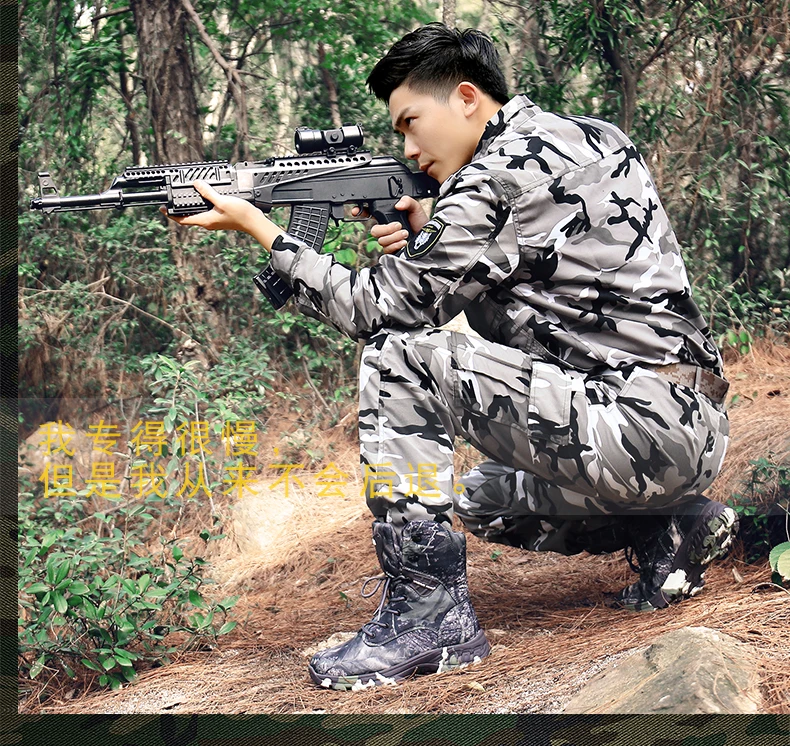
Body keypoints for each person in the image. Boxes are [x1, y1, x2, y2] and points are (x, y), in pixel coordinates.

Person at [166, 23, 738, 691]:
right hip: (685, 426)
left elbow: (380, 309)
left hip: (637, 429)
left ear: (466, 98)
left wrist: (263, 232)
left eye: (411, 123)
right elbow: (554, 293)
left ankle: (429, 620)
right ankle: (670, 527)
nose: (409, 148)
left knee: (400, 353)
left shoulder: (495, 174)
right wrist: (428, 234)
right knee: (485, 499)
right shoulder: (592, 135)